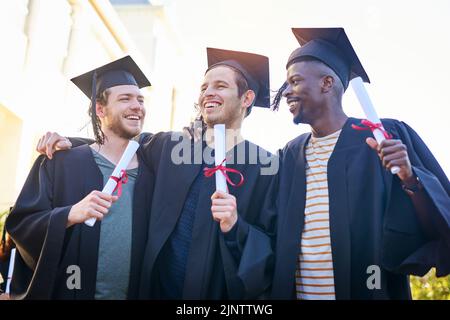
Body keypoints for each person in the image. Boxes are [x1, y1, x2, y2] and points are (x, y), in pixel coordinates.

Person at [39, 48, 278, 300]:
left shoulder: (264, 166)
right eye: (204, 86)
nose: (208, 92)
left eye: (220, 86)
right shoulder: (169, 147)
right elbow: (118, 146)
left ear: (247, 98)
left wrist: (235, 226)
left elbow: (272, 251)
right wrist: (68, 142)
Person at [270, 27, 450, 300]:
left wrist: (409, 177)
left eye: (294, 81)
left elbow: (435, 227)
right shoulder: (290, 153)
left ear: (327, 83)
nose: (286, 92)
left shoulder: (384, 136)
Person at [5, 56, 153, 299]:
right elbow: (21, 224)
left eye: (140, 99)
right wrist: (68, 215)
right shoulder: (60, 163)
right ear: (100, 109)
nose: (137, 106)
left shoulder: (152, 168)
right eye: (125, 99)